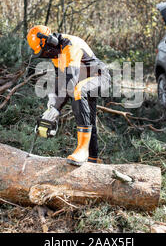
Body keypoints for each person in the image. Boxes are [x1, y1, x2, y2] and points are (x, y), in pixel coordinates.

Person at [26, 25, 110, 166]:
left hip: (99, 76)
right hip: (84, 80)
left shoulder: (70, 46)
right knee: (88, 117)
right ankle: (93, 160)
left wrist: (56, 109)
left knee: (78, 90)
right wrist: (53, 100)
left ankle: (82, 151)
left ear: (50, 42)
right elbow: (61, 79)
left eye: (45, 52)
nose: (47, 55)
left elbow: (71, 82)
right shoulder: (56, 53)